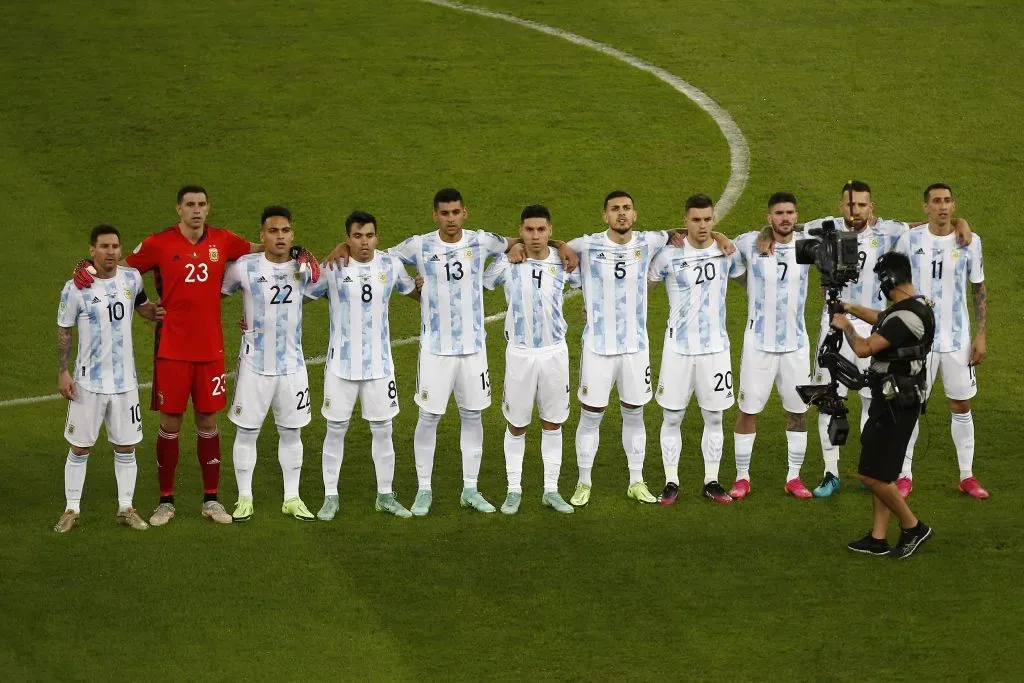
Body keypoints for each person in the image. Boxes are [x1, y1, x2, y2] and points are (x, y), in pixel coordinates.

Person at [72, 185, 319, 526]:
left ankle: (212, 500)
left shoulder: (224, 240)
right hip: (171, 349)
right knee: (170, 423)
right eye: (190, 205)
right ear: (179, 209)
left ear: (209, 208)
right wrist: (87, 266)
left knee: (207, 421)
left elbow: (264, 250)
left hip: (210, 350)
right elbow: (120, 268)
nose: (197, 210)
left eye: (202, 204)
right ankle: (166, 502)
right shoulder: (159, 243)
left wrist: (301, 252)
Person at [324, 189, 576, 516]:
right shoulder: (419, 245)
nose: (451, 219)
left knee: (473, 417)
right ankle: (424, 490)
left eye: (456, 212)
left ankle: (470, 488)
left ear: (464, 213)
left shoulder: (482, 241)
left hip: (473, 348)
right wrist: (344, 246)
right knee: (429, 417)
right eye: (445, 213)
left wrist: (560, 244)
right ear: (435, 216)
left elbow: (526, 239)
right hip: (435, 349)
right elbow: (375, 254)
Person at [804, 180, 972, 498]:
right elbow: (784, 225)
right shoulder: (822, 230)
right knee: (829, 399)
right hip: (834, 325)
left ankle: (872, 469)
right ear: (841, 207)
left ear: (872, 208)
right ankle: (831, 472)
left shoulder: (890, 232)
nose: (856, 210)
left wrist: (960, 222)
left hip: (874, 324)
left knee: (874, 400)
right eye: (850, 205)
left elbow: (927, 225)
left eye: (863, 205)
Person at [565, 191, 712, 507]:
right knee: (591, 416)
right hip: (597, 348)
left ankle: (636, 481)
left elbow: (689, 231)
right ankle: (583, 483)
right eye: (615, 209)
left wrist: (723, 239)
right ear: (605, 215)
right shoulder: (587, 245)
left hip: (635, 349)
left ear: (635, 214)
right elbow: (554, 245)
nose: (621, 214)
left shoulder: (650, 241)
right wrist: (559, 246)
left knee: (634, 414)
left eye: (627, 209)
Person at [307, 211, 419, 520]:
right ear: (348, 239)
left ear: (377, 237)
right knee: (335, 429)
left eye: (369, 235)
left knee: (383, 430)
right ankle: (331, 497)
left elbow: (415, 292)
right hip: (340, 366)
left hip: (380, 366)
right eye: (357, 236)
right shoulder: (333, 268)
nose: (364, 242)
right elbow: (300, 295)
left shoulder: (390, 265)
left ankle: (385, 495)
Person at [54, 225, 163, 532]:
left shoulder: (131, 277)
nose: (111, 252)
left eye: (115, 246)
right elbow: (65, 330)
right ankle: (71, 509)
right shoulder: (75, 287)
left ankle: (126, 507)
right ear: (92, 250)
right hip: (87, 384)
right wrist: (63, 371)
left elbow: (141, 305)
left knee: (126, 448)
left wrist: (157, 312)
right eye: (104, 246)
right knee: (79, 448)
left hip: (125, 383)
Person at [831, 252, 935, 558]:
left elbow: (864, 349)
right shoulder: (916, 306)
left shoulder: (906, 318)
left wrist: (845, 326)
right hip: (896, 399)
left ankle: (913, 526)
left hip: (896, 404)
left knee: (870, 475)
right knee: (884, 473)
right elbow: (883, 319)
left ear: (889, 279)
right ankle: (878, 538)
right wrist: (850, 308)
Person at [221, 206, 317, 522]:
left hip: (293, 366)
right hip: (254, 365)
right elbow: (209, 293)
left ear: (293, 235)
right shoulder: (243, 267)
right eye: (273, 231)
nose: (280, 236)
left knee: (292, 433)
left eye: (285, 231)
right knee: (247, 433)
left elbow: (344, 278)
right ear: (262, 235)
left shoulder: (304, 268)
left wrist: (328, 257)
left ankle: (292, 497)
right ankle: (244, 498)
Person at [648, 194, 742, 505]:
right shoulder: (667, 257)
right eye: (696, 220)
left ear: (714, 220)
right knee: (672, 417)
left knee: (714, 417)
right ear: (685, 221)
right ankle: (671, 481)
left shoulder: (727, 252)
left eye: (707, 220)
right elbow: (642, 290)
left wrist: (722, 238)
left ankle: (711, 481)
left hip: (716, 349)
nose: (702, 226)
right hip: (678, 349)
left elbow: (750, 283)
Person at [895, 183, 988, 499]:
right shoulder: (910, 240)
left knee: (961, 404)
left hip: (958, 340)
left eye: (948, 201)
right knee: (910, 406)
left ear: (954, 204)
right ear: (925, 208)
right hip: (918, 342)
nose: (943, 206)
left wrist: (981, 335)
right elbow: (894, 284)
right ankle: (904, 475)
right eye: (936, 201)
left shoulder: (970, 242)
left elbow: (978, 289)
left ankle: (967, 475)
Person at [482, 204, 575, 514]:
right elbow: (478, 283)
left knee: (553, 423)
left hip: (554, 353)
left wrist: (563, 246)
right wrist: (510, 248)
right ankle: (513, 490)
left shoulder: (564, 263)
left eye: (541, 230)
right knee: (517, 424)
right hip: (520, 353)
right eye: (529, 230)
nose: (536, 236)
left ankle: (551, 489)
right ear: (520, 231)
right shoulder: (507, 262)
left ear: (550, 231)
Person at [730, 192, 813, 500]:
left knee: (798, 411)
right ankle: (742, 477)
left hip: (795, 345)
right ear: (769, 218)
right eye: (779, 213)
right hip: (758, 343)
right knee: (748, 409)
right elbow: (714, 238)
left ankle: (794, 477)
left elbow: (854, 228)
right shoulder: (750, 242)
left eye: (790, 212)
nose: (785, 218)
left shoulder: (807, 244)